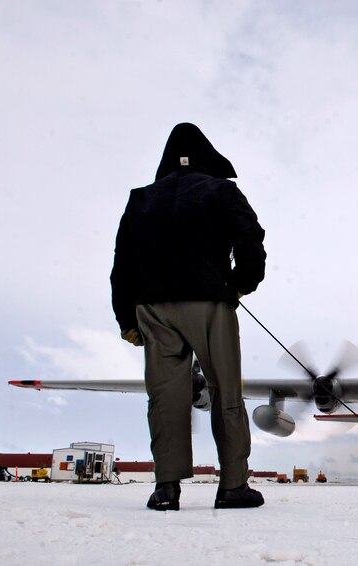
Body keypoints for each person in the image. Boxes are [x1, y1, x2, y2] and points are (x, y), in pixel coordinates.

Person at [110, 123, 266, 511]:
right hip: (209, 304)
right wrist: (242, 284)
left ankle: (166, 488)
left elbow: (122, 264)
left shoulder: (140, 199)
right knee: (225, 392)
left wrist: (126, 319)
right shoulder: (221, 190)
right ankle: (232, 486)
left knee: (164, 397)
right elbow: (250, 237)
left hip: (154, 309)